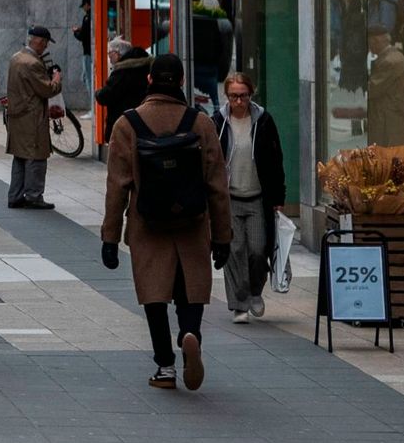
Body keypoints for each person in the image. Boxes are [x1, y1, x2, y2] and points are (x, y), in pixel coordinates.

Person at [99, 56, 232, 391]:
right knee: (191, 290)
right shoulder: (200, 123)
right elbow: (217, 185)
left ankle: (165, 367)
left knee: (154, 295)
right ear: (182, 80)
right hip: (193, 222)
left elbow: (117, 186)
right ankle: (190, 334)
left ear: (149, 80)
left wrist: (110, 238)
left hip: (148, 224)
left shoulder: (128, 125)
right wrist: (223, 237)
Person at [219, 72, 286, 324]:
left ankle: (256, 291)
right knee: (234, 251)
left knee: (258, 250)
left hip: (258, 197)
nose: (239, 101)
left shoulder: (264, 122)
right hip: (230, 198)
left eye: (244, 96)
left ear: (251, 95)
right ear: (227, 96)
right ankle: (239, 304)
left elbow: (275, 159)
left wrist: (279, 196)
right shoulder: (218, 122)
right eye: (234, 96)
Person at [3, 26, 64, 209]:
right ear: (39, 41)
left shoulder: (16, 58)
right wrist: (56, 78)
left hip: (17, 114)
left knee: (20, 156)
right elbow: (47, 89)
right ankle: (34, 195)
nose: (45, 47)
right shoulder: (32, 63)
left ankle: (15, 195)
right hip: (32, 116)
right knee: (36, 157)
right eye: (45, 43)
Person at [95, 40, 153, 145]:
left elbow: (106, 95)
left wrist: (98, 93)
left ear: (117, 54)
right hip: (145, 122)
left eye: (110, 53)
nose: (109, 57)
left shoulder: (122, 71)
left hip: (123, 123)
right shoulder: (146, 67)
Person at [366, 24, 404, 147]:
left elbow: (373, 88)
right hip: (390, 119)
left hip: (389, 122)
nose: (369, 48)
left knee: (388, 157)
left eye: (370, 43)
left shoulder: (390, 61)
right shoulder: (394, 56)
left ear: (377, 41)